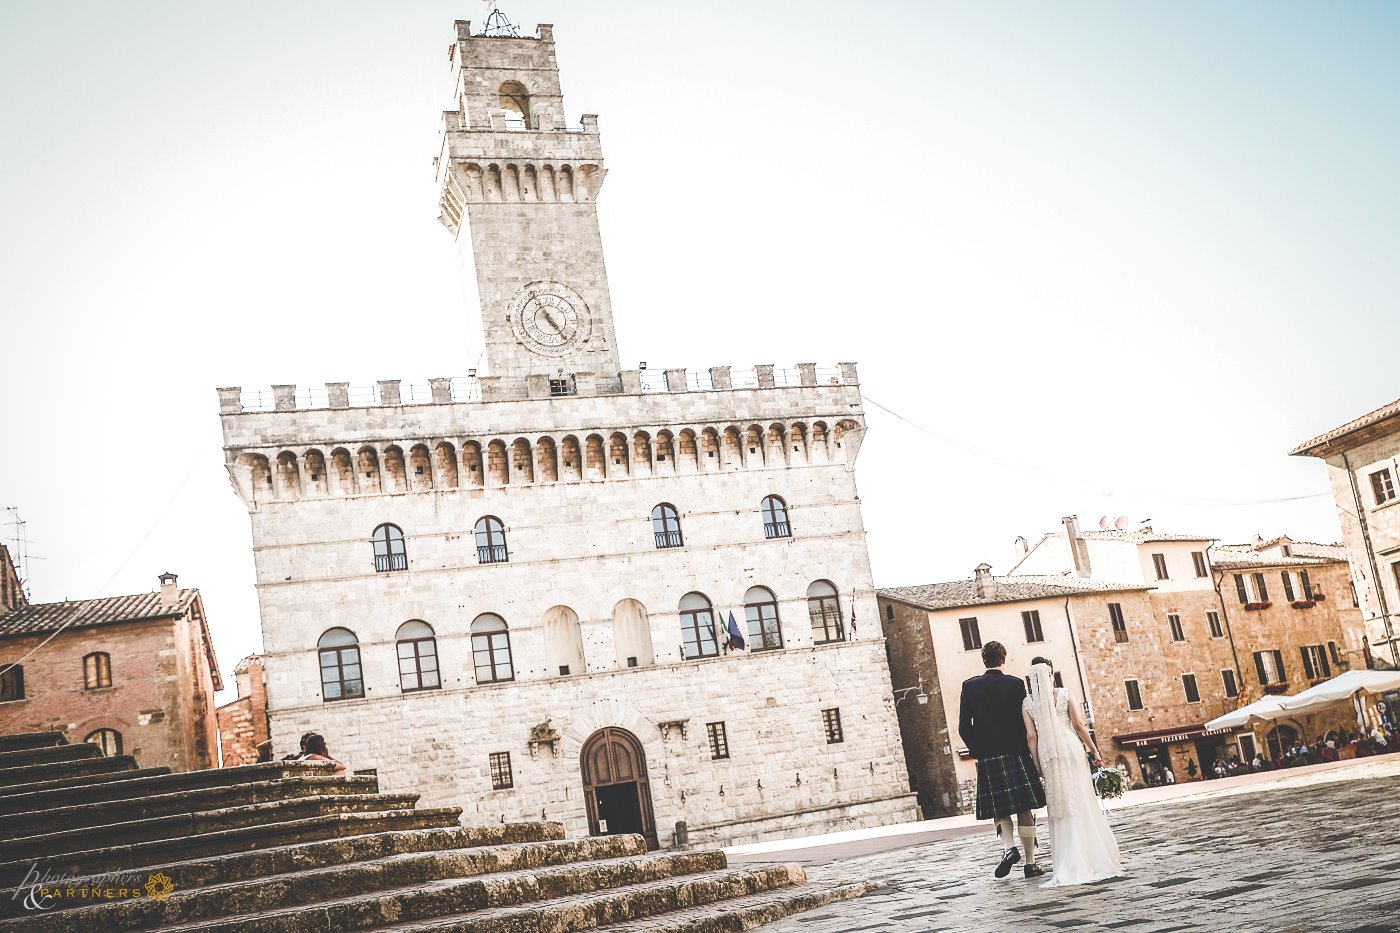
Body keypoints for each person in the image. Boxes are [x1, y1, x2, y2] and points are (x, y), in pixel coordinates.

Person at [1021, 658, 1123, 887]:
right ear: (1050, 674)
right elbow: (1078, 725)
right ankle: (1093, 855)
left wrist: (1036, 763)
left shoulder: (1028, 703)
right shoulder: (1065, 694)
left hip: (1049, 755)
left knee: (1061, 804)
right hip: (1071, 749)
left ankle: (1068, 860)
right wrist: (1094, 750)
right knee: (1083, 800)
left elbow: (1031, 737)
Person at [958, 641, 1047, 880]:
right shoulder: (1016, 685)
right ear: (1003, 659)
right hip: (1016, 754)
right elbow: (1025, 723)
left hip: (989, 757)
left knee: (1000, 809)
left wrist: (979, 750)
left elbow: (964, 728)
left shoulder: (969, 687)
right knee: (1024, 809)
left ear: (984, 660)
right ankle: (1031, 863)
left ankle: (1009, 849)